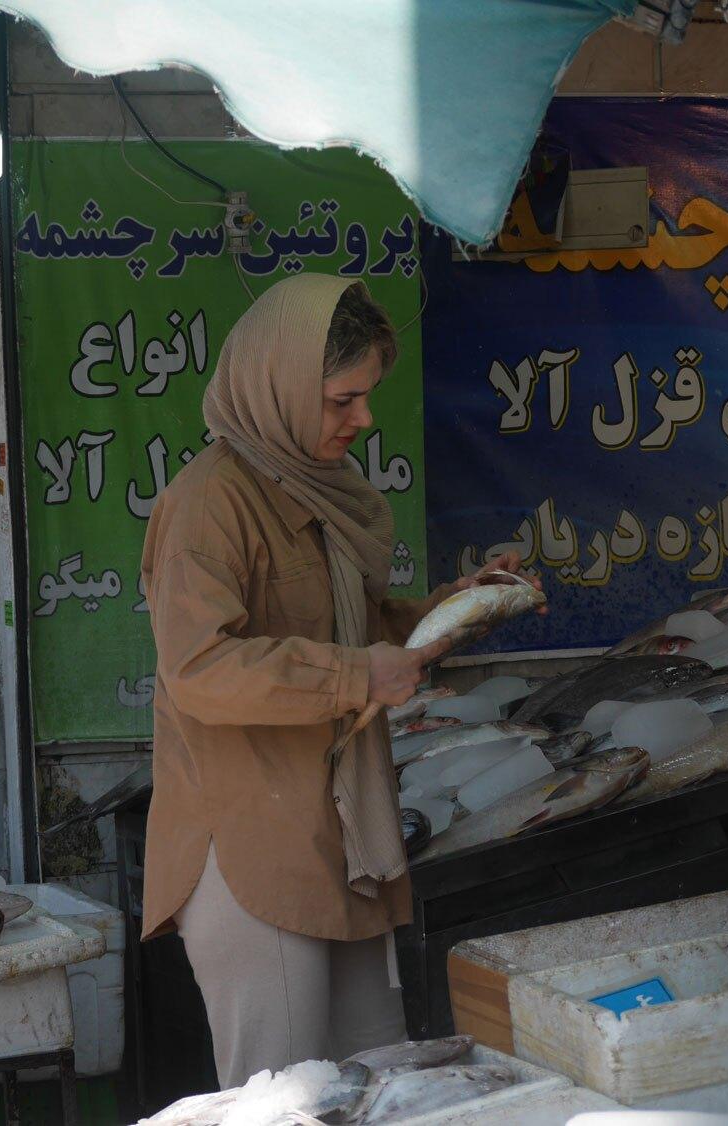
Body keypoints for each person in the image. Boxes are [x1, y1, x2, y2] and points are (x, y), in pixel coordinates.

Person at [140, 274, 539, 1088]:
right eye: (341, 400)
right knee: (284, 1098)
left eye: (366, 397)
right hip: (253, 845)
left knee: (379, 1083)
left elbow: (354, 629)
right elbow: (200, 671)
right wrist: (357, 673)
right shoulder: (208, 505)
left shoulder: (314, 486)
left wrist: (456, 609)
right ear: (280, 390)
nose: (362, 419)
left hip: (342, 833)